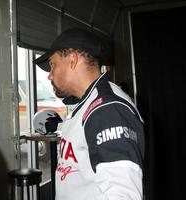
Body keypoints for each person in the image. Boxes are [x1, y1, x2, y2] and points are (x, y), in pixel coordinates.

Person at [33, 28, 145, 200]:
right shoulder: (88, 103)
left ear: (72, 60)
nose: (50, 75)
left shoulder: (107, 110)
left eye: (52, 65)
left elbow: (123, 195)